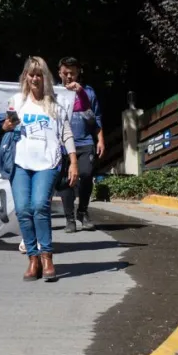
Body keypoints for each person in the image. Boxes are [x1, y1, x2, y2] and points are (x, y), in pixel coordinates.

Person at [5, 56, 78, 282]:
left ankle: (47, 256)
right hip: (21, 163)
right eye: (31, 74)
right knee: (23, 210)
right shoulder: (16, 101)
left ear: (45, 77)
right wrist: (5, 126)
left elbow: (66, 134)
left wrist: (73, 161)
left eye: (39, 74)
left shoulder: (55, 105)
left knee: (39, 206)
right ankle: (33, 259)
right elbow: (6, 127)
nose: (35, 78)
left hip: (47, 163)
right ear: (25, 77)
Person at [58, 56, 104, 232]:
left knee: (85, 174)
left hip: (85, 142)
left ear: (78, 73)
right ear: (59, 73)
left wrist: (100, 139)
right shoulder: (53, 92)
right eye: (65, 73)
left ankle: (82, 212)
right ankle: (69, 218)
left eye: (72, 73)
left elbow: (96, 117)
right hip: (62, 146)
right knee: (65, 181)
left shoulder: (88, 92)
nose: (69, 76)